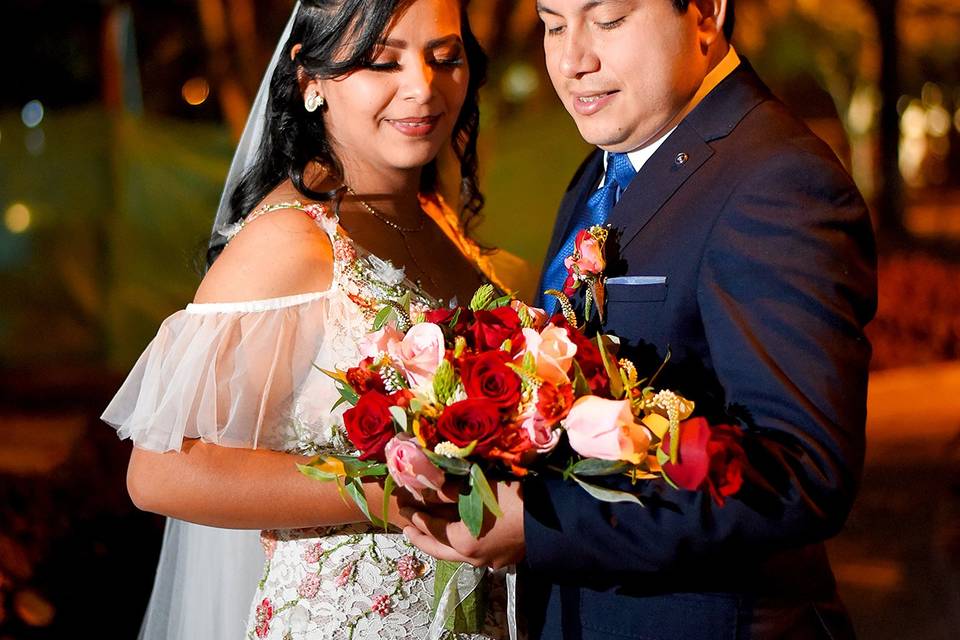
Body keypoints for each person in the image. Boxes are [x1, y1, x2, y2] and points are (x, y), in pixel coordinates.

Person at [402, 0, 878, 638]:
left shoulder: (776, 179)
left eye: (609, 20)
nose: (574, 61)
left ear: (705, 14)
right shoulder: (607, 166)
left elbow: (799, 472)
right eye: (553, 25)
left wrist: (542, 524)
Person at [102, 0, 519, 637]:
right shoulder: (293, 241)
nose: (423, 88)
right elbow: (161, 470)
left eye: (446, 58)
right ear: (310, 81)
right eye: (383, 62)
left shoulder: (434, 216)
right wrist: (392, 494)